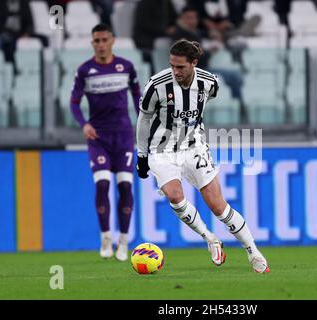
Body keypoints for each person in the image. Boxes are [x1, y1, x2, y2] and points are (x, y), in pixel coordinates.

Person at [135, 39, 270, 273]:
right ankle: (210, 238)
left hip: (194, 146)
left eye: (180, 67)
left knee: (218, 206)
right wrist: (141, 154)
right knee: (175, 197)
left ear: (194, 63)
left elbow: (203, 103)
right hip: (162, 150)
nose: (175, 71)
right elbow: (144, 119)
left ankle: (253, 251)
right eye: (172, 66)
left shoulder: (209, 83)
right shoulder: (156, 85)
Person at [70, 23, 141, 261]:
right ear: (92, 43)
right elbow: (73, 102)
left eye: (104, 40)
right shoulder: (84, 70)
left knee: (125, 187)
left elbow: (138, 95)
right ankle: (105, 237)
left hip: (123, 136)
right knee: (102, 185)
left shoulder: (126, 67)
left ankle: (123, 240)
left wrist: (143, 119)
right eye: (96, 41)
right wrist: (84, 124)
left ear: (112, 41)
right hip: (98, 137)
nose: (100, 45)